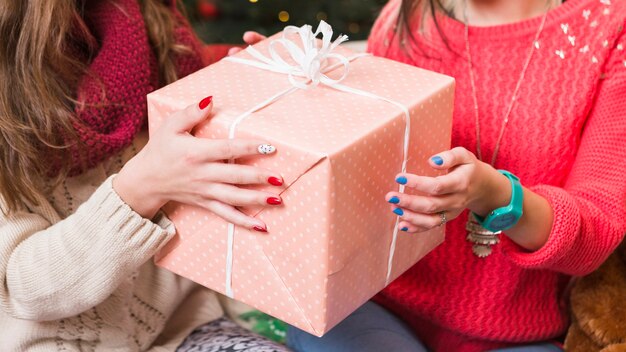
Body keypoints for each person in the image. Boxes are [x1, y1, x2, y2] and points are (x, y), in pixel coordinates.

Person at [275, 0, 626, 351]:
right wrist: (295, 103)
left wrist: (498, 197)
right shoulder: (406, 16)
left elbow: (593, 241)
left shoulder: (610, 26)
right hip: (371, 310)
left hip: (518, 336)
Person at [0, 0, 289, 350]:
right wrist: (139, 190)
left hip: (186, 326)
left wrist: (252, 90)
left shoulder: (153, 24)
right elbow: (29, 290)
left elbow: (207, 158)